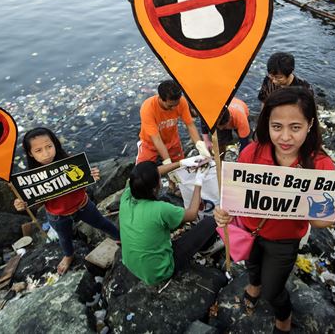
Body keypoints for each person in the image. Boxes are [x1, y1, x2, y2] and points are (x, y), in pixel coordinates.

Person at [214, 87, 335, 333]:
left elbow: (318, 222)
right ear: (267, 124)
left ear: (310, 124)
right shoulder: (252, 152)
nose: (285, 137)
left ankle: (283, 318)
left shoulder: (320, 165)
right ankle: (254, 285)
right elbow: (233, 199)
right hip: (249, 230)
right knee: (252, 265)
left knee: (274, 289)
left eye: (295, 127)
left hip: (284, 241)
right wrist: (222, 213)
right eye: (277, 127)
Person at [13, 127, 120, 275]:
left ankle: (120, 237)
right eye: (38, 150)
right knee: (64, 238)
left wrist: (90, 176)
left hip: (83, 205)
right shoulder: (31, 179)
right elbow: (37, 203)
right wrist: (24, 203)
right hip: (58, 215)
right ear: (31, 154)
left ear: (55, 145)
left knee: (102, 223)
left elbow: (81, 180)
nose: (46, 153)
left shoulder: (70, 163)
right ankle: (69, 255)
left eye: (49, 146)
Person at [119, 157, 217, 285]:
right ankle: (205, 248)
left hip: (132, 264)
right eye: (159, 179)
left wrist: (181, 163)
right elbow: (192, 214)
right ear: (155, 188)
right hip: (160, 271)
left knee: (166, 207)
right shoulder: (160, 209)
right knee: (210, 222)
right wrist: (198, 182)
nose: (161, 179)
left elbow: (152, 174)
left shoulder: (126, 196)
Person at [136, 80, 210, 165]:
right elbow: (156, 139)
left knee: (180, 167)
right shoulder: (148, 108)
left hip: (172, 142)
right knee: (142, 171)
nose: (173, 108)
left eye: (176, 105)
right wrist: (167, 161)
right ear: (160, 98)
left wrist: (199, 143)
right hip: (150, 144)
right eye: (170, 106)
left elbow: (190, 125)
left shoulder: (181, 102)